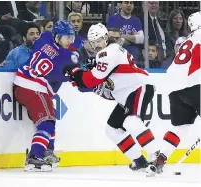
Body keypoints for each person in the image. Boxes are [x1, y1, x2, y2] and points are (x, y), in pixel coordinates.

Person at [63, 23, 161, 171]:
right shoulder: (108, 53)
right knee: (112, 129)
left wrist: (75, 73)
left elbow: (90, 80)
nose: (96, 45)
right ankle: (139, 160)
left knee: (132, 122)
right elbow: (103, 87)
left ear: (106, 38)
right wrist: (81, 78)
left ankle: (157, 156)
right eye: (93, 42)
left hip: (138, 87)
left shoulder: (107, 53)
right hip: (127, 94)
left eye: (98, 40)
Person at [13, 20, 78, 172]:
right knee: (47, 122)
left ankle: (47, 151)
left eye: (71, 37)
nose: (69, 41)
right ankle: (34, 157)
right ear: (57, 37)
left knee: (50, 118)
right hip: (34, 86)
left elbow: (44, 39)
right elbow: (77, 76)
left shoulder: (45, 38)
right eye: (66, 37)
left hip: (22, 82)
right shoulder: (67, 57)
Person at [145, 11, 201, 177]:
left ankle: (161, 159)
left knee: (179, 128)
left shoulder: (189, 39)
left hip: (175, 89)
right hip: (194, 85)